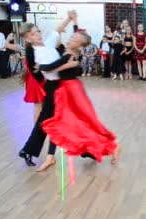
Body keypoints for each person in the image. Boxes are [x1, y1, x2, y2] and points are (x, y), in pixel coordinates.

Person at [39, 31, 120, 164]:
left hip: (71, 91)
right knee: (73, 122)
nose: (70, 39)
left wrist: (38, 65)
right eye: (71, 37)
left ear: (79, 45)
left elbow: (49, 67)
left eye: (74, 39)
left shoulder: (70, 55)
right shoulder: (72, 53)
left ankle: (111, 147)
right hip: (68, 89)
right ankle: (105, 148)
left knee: (80, 122)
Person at [17, 12, 77, 170]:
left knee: (48, 120)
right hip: (54, 87)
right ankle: (39, 153)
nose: (38, 34)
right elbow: (49, 71)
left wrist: (69, 19)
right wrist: (67, 62)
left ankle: (30, 151)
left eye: (38, 31)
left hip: (61, 87)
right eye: (34, 33)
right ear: (28, 38)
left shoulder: (48, 43)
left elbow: (57, 30)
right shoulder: (35, 54)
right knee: (58, 121)